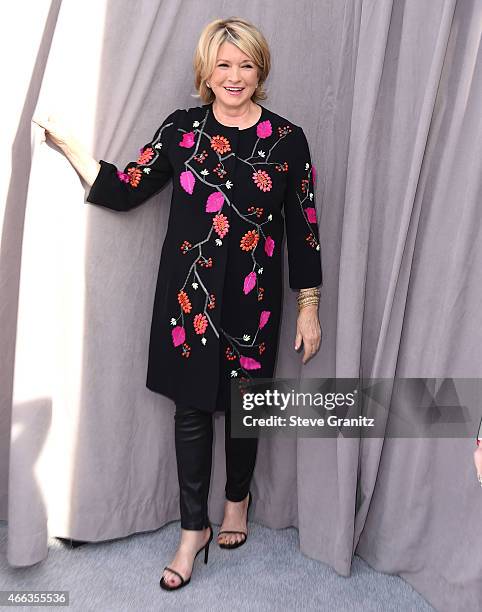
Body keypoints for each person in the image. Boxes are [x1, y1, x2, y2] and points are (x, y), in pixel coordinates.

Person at [32, 16, 323, 591]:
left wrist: (308, 304)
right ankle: (193, 531)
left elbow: (304, 228)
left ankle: (236, 502)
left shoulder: (289, 140)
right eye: (223, 65)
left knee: (247, 409)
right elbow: (125, 188)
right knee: (189, 412)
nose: (234, 76)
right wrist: (69, 144)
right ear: (206, 72)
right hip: (189, 303)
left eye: (246, 64)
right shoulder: (182, 131)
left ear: (260, 70)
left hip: (253, 303)